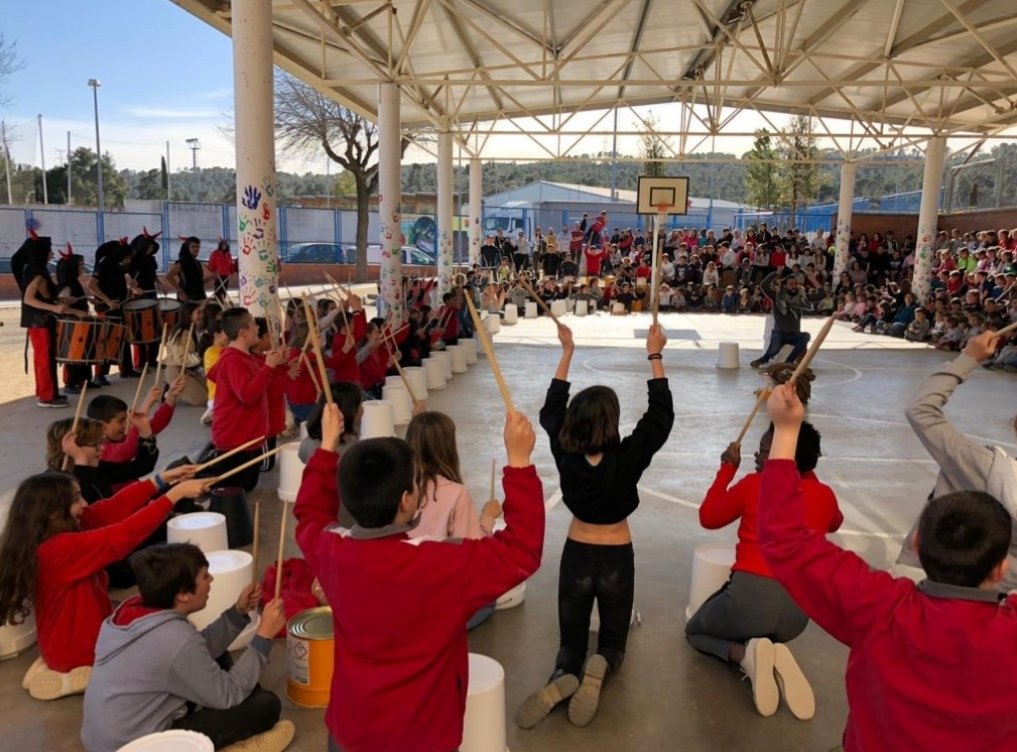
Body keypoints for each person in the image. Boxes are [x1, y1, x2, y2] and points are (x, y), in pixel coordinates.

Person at [759, 382, 1017, 750]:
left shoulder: (880, 609)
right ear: (1000, 569)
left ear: (917, 544)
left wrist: (786, 431)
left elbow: (784, 540)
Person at [294, 403, 544, 752]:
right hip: (421, 737)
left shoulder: (331, 552)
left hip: (350, 730)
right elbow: (521, 551)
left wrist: (326, 447)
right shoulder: (440, 565)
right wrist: (519, 462)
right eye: (416, 481)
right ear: (406, 500)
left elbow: (309, 514)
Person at [517, 323, 673, 729]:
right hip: (616, 558)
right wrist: (654, 354)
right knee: (613, 642)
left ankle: (563, 674)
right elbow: (660, 417)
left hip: (577, 555)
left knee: (570, 643)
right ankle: (603, 662)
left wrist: (567, 352)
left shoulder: (565, 452)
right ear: (611, 423)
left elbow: (551, 410)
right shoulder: (629, 456)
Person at [0, 467, 206, 700]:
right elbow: (122, 536)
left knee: (146, 611)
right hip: (79, 651)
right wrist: (173, 496)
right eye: (76, 499)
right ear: (52, 513)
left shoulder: (56, 533)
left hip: (74, 640)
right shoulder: (57, 549)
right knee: (166, 637)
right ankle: (79, 673)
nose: (85, 504)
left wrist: (160, 480)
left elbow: (110, 508)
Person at [686, 423, 842, 718]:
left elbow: (708, 516)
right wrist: (806, 471)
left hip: (750, 601)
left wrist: (727, 469)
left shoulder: (754, 485)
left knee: (694, 632)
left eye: (765, 451)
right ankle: (771, 650)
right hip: (798, 617)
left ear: (785, 456)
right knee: (762, 629)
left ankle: (746, 656)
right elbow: (835, 522)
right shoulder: (825, 495)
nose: (757, 457)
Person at [80, 543, 293, 752]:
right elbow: (227, 693)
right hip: (137, 745)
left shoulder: (132, 612)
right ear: (183, 594)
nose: (211, 580)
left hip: (109, 736)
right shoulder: (174, 639)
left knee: (217, 658)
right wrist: (263, 636)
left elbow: (196, 649)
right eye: (205, 576)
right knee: (266, 706)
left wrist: (238, 612)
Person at [895, 330, 1017, 584]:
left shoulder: (990, 468)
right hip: (998, 591)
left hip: (930, 576)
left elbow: (921, 410)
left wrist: (968, 358)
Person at [205, 308, 286, 491]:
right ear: (243, 332)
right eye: (253, 324)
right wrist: (268, 367)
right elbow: (248, 395)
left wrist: (277, 366)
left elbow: (264, 386)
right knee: (234, 493)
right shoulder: (232, 360)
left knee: (247, 488)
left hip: (249, 438)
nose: (257, 328)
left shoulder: (245, 357)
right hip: (235, 441)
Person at [404, 411, 501, 541]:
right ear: (449, 447)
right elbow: (471, 547)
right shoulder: (456, 494)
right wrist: (487, 518)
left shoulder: (397, 486)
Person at [19, 232, 80, 407]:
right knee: (44, 360)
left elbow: (44, 296)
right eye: (50, 250)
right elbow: (28, 299)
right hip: (38, 323)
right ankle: (46, 397)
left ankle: (50, 392)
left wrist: (63, 300)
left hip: (44, 321)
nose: (52, 253)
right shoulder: (36, 273)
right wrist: (54, 308)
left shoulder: (40, 271)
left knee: (48, 359)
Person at [751, 269, 813, 368]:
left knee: (805, 337)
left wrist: (813, 279)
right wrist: (776, 273)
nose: (794, 286)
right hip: (780, 334)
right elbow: (763, 286)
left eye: (795, 284)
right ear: (785, 286)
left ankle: (790, 363)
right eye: (791, 284)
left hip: (794, 334)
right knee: (772, 352)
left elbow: (819, 295)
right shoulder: (776, 297)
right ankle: (763, 359)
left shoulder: (800, 298)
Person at [167, 236, 209, 303]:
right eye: (193, 246)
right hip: (186, 298)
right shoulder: (182, 262)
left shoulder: (198, 263)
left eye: (197, 247)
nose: (196, 249)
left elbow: (199, 282)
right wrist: (180, 291)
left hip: (200, 296)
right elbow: (169, 276)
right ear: (187, 248)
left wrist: (212, 277)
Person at [207, 239, 236, 303]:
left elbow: (231, 263)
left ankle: (223, 300)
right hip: (218, 274)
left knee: (224, 288)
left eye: (225, 245)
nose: (224, 246)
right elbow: (211, 262)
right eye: (222, 245)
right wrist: (213, 271)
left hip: (226, 274)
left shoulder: (229, 254)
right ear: (220, 245)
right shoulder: (215, 253)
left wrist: (232, 272)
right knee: (218, 288)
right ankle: (217, 301)